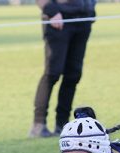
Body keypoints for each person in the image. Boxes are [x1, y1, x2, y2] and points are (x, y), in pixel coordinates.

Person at [28, 0, 96, 138]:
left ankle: (63, 125)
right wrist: (52, 11)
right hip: (58, 20)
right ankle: (38, 125)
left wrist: (90, 8)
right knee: (53, 73)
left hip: (83, 20)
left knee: (73, 75)